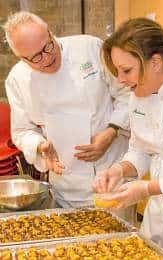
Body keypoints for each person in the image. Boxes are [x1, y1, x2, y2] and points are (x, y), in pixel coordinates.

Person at [93, 18, 163, 259]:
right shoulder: (139, 93)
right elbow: (141, 149)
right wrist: (119, 170)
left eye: (126, 70)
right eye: (117, 71)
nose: (120, 79)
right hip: (156, 227)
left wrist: (146, 188)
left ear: (155, 62)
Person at [4, 11, 130, 208]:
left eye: (48, 46)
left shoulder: (90, 47)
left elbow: (127, 93)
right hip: (67, 184)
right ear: (21, 58)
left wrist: (111, 131)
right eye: (35, 57)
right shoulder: (17, 79)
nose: (46, 58)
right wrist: (39, 145)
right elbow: (22, 131)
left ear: (51, 32)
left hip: (113, 173)